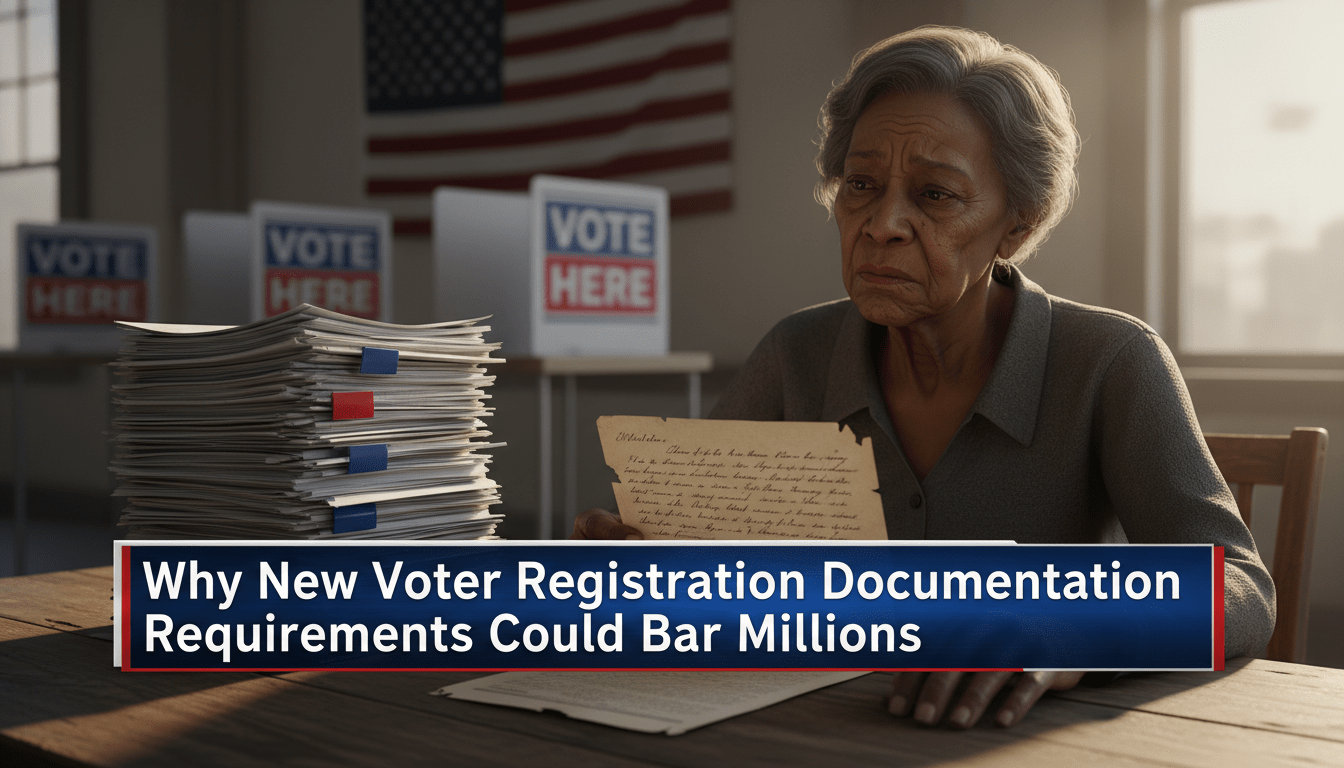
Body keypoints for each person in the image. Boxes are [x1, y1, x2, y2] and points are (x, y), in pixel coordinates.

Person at [573, 26, 1275, 730]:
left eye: (935, 195)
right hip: (816, 732)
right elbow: (696, 564)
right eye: (861, 186)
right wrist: (639, 567)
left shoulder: (1112, 359)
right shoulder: (796, 354)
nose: (882, 225)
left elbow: (1241, 587)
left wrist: (1072, 625)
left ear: (1018, 224)